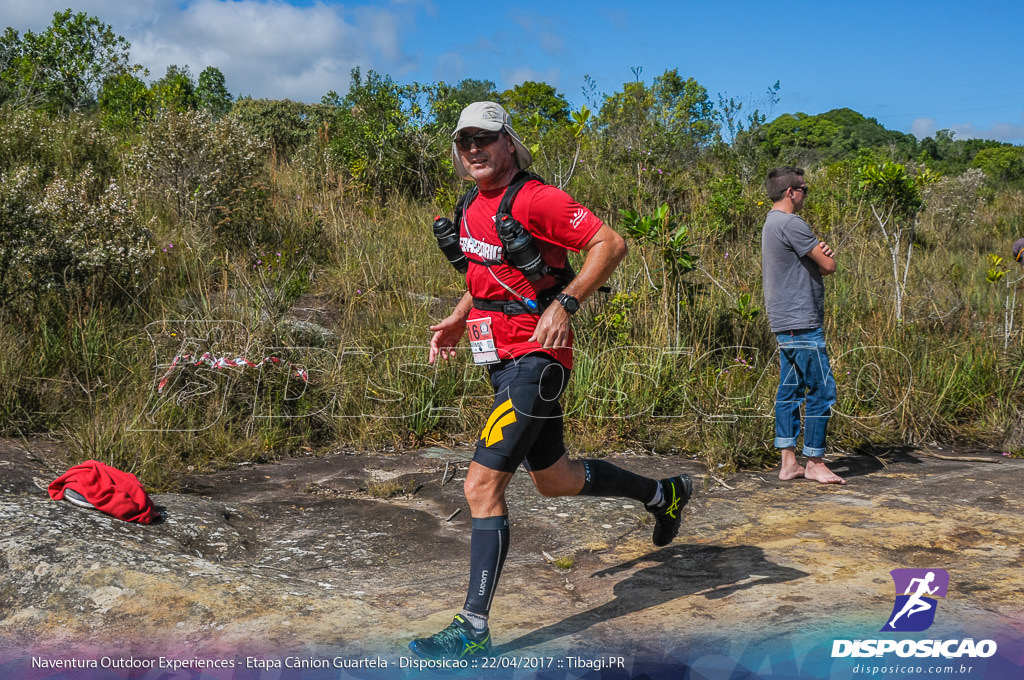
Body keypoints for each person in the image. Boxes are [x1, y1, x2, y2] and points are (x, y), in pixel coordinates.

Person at [409, 101, 693, 660]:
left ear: (508, 143)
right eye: (465, 141)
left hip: (536, 361)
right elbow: (486, 272)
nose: (474, 150)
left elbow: (610, 244)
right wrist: (459, 316)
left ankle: (472, 629)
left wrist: (565, 302)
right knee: (556, 479)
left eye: (485, 139)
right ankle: (664, 495)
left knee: (481, 486)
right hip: (501, 361)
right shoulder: (472, 204)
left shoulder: (537, 198)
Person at [761, 166, 845, 485]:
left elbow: (817, 267)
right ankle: (815, 461)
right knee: (822, 389)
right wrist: (822, 255)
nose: (805, 195)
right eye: (804, 189)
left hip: (784, 320)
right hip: (801, 319)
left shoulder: (771, 223)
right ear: (791, 192)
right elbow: (829, 266)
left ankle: (788, 462)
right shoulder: (792, 223)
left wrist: (816, 258)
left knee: (791, 389)